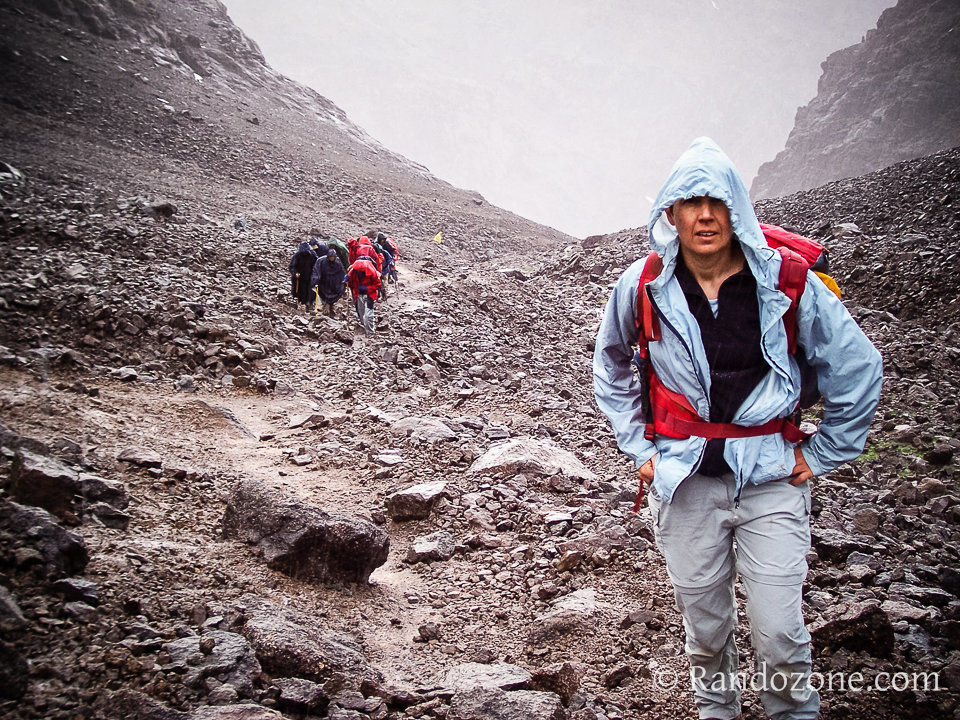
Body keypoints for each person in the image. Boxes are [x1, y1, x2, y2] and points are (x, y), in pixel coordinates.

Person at [593, 137, 882, 720]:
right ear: (669, 213)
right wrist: (639, 446)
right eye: (690, 201)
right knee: (705, 625)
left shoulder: (786, 282)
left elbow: (858, 367)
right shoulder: (643, 282)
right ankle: (716, 711)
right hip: (685, 479)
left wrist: (825, 452)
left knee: (778, 629)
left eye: (718, 201)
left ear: (738, 208)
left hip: (772, 475)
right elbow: (612, 362)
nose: (705, 215)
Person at [346, 253, 382, 334]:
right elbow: (351, 282)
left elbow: (377, 284)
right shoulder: (353, 271)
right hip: (358, 294)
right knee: (361, 313)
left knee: (368, 315)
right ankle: (365, 328)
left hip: (369, 295)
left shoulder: (372, 272)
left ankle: (370, 332)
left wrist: (367, 288)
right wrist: (347, 280)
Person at [311, 248, 346, 317]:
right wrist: (316, 280)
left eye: (333, 257)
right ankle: (325, 310)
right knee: (324, 295)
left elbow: (341, 272)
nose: (331, 259)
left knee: (333, 296)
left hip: (334, 283)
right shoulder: (321, 261)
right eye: (330, 257)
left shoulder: (338, 262)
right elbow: (316, 270)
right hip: (324, 281)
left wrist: (344, 281)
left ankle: (330, 307)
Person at [288, 239, 318, 311]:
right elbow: (292, 266)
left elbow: (316, 266)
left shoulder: (312, 255)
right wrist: (295, 273)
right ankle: (300, 304)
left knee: (309, 291)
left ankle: (309, 305)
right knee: (299, 291)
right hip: (299, 277)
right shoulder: (297, 256)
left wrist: (315, 276)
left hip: (309, 277)